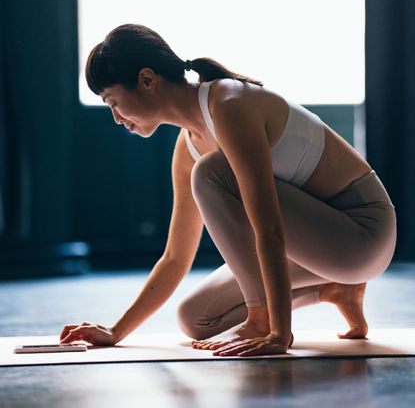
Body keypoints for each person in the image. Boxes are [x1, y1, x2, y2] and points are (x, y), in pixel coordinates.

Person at [59, 23, 397, 357]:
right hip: (318, 246)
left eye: (113, 101)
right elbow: (176, 257)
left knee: (212, 171)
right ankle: (334, 288)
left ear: (147, 80)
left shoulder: (228, 102)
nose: (116, 117)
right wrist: (116, 331)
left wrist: (277, 332)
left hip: (363, 235)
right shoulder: (187, 148)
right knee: (197, 318)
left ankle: (263, 317)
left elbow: (268, 226)